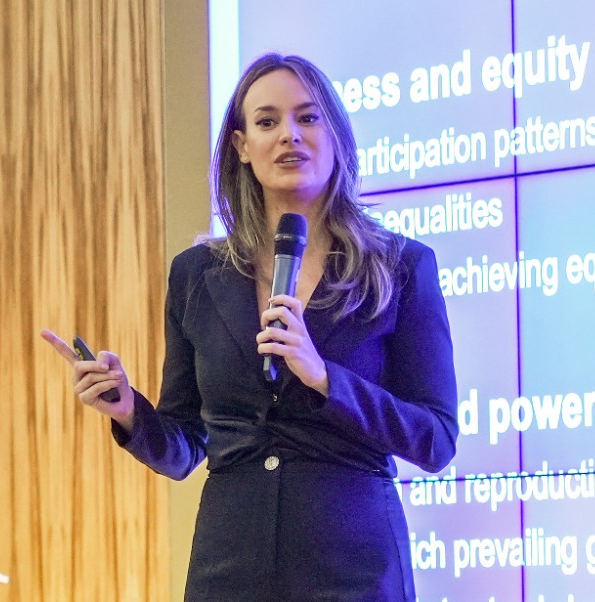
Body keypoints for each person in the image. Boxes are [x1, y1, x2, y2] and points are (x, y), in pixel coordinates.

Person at [42, 53, 458, 601]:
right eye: (267, 122)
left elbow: (436, 440)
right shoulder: (197, 274)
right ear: (241, 146)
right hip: (230, 567)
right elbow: (186, 445)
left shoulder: (400, 266)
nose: (290, 135)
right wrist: (128, 411)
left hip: (353, 567)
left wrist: (325, 379)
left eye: (308, 118)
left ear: (336, 135)